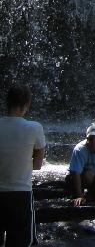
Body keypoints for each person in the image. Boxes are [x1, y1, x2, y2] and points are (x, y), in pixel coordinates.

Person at [0, 84, 46, 247]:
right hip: (20, 195)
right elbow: (38, 165)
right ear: (27, 104)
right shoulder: (34, 128)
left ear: (7, 103)